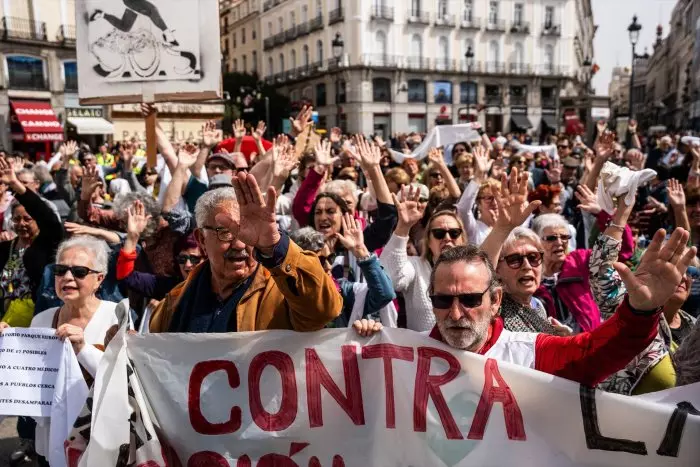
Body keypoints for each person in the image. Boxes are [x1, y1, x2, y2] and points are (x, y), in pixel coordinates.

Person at [376, 226, 694, 388]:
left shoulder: (529, 352)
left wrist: (639, 311)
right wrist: (365, 343)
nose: (456, 314)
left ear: (495, 300)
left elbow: (599, 352)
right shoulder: (408, 354)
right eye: (443, 301)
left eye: (471, 300)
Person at [146, 173, 342, 333]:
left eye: (248, 233)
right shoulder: (176, 302)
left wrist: (274, 245)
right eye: (226, 233)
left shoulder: (283, 292)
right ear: (202, 240)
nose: (240, 244)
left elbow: (324, 310)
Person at [1, 235, 118, 466]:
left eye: (79, 272)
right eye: (60, 270)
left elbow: (124, 378)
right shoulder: (42, 319)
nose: (67, 277)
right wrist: (6, 348)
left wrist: (83, 349)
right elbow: (26, 382)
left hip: (100, 440)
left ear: (99, 279)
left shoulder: (116, 316)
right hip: (52, 440)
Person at [380, 186, 466, 332]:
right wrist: (403, 227)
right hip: (424, 351)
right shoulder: (416, 266)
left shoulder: (473, 269)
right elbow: (390, 280)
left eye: (454, 233)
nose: (447, 238)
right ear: (428, 241)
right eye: (439, 233)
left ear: (462, 239)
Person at [290, 224, 396, 327]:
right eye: (320, 261)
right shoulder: (282, 294)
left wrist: (361, 252)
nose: (329, 266)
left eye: (330, 258)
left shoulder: (342, 290)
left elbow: (384, 295)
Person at [0, 157, 64, 327]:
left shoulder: (46, 244)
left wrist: (16, 184)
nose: (21, 223)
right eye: (17, 219)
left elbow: (46, 216)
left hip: (38, 321)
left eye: (27, 219)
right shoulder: (5, 248)